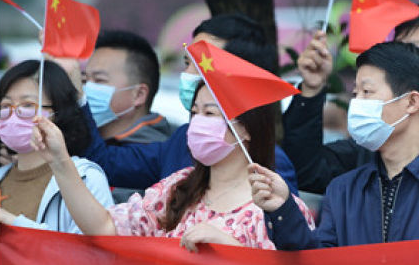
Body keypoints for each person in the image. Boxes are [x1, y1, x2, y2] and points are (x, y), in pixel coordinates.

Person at [27, 77, 313, 250]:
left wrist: (230, 250)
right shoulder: (178, 187)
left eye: (210, 114)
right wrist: (60, 160)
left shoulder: (277, 206)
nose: (197, 122)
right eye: (195, 112)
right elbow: (103, 227)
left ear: (247, 128)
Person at [258, 42, 419, 248]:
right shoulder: (343, 190)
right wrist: (283, 210)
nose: (357, 103)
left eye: (367, 92)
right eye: (355, 93)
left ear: (411, 101)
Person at [282, 0, 419, 195]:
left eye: (416, 52)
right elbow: (306, 172)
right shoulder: (376, 140)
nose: (400, 63)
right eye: (398, 50)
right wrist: (311, 88)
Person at [79, 17, 299, 195]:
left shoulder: (270, 162)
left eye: (203, 63)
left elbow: (284, 232)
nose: (188, 74)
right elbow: (104, 162)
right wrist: (76, 96)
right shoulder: (181, 141)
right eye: (187, 63)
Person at [0, 60, 113, 232]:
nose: (13, 115)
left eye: (28, 105)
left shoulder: (86, 177)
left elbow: (91, 246)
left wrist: (11, 222)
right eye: (5, 106)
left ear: (58, 113)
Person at [84, 30, 176, 201]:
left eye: (99, 80)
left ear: (139, 94)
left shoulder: (157, 156)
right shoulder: (83, 142)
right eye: (84, 80)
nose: (86, 89)